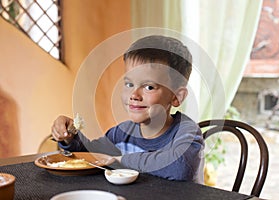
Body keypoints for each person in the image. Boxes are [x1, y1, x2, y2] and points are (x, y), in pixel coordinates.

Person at [51, 35, 204, 183]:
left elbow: (181, 167)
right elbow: (92, 155)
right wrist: (69, 138)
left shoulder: (187, 132)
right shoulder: (122, 133)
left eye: (149, 87)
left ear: (177, 96)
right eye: (129, 84)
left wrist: (121, 160)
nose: (134, 95)